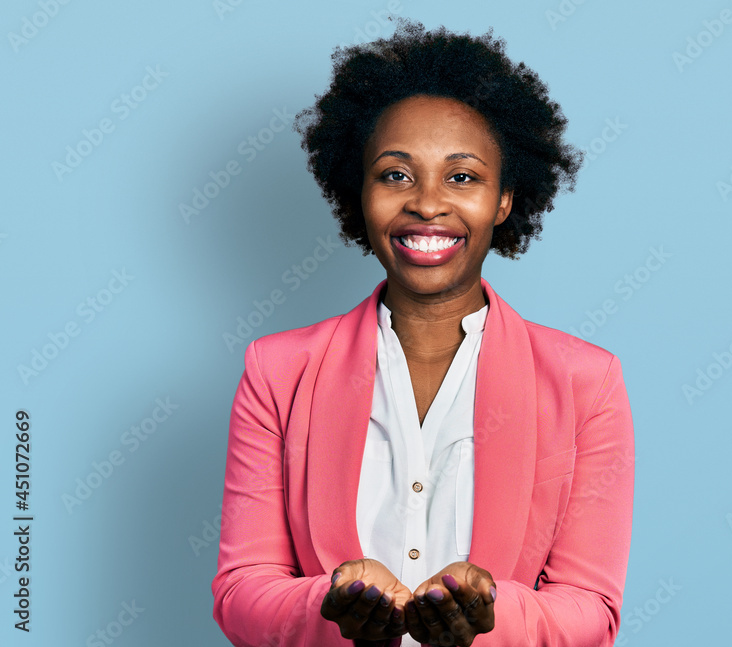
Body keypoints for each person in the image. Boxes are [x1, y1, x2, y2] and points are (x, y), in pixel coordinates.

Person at [211, 19, 635, 647]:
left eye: (461, 177)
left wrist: (492, 617)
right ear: (360, 193)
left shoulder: (586, 383)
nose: (428, 204)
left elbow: (592, 610)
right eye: (395, 174)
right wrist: (327, 605)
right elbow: (241, 591)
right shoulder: (278, 371)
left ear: (504, 200)